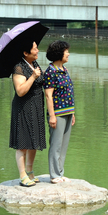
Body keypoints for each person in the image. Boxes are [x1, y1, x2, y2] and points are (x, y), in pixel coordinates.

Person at [11, 42, 47, 186]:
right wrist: (32, 77)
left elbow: (41, 81)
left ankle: (30, 171)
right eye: (35, 48)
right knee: (23, 142)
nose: (37, 50)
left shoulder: (34, 64)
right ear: (26, 53)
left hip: (36, 107)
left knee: (34, 141)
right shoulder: (19, 67)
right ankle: (22, 175)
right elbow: (20, 91)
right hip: (23, 107)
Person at [43, 40, 75, 183]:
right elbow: (48, 95)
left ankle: (60, 172)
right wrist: (52, 116)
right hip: (57, 113)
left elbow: (69, 91)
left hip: (68, 111)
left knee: (63, 145)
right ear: (59, 53)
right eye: (66, 51)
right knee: (56, 145)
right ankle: (54, 175)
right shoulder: (51, 72)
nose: (68, 54)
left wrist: (73, 113)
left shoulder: (65, 70)